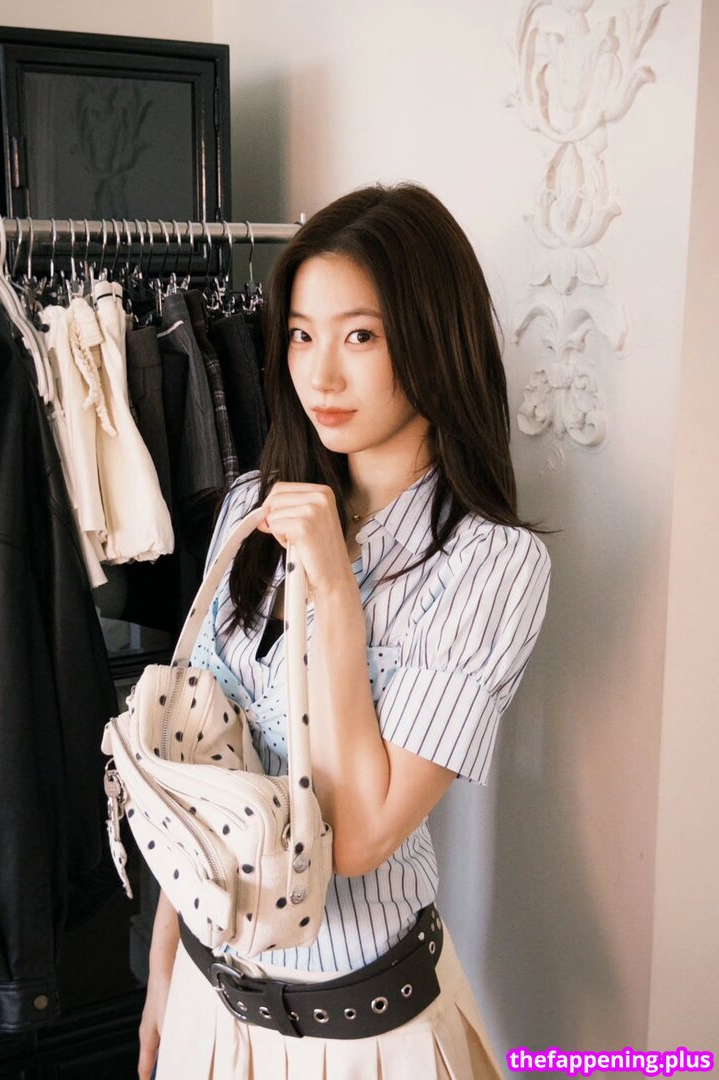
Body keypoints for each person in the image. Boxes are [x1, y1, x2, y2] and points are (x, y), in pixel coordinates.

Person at [138, 182, 552, 1080]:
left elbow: (359, 837)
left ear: (435, 337)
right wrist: (163, 969)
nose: (320, 375)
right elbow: (193, 757)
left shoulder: (491, 565)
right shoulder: (251, 506)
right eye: (301, 334)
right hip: (207, 1000)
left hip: (361, 1036)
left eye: (360, 336)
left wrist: (334, 588)